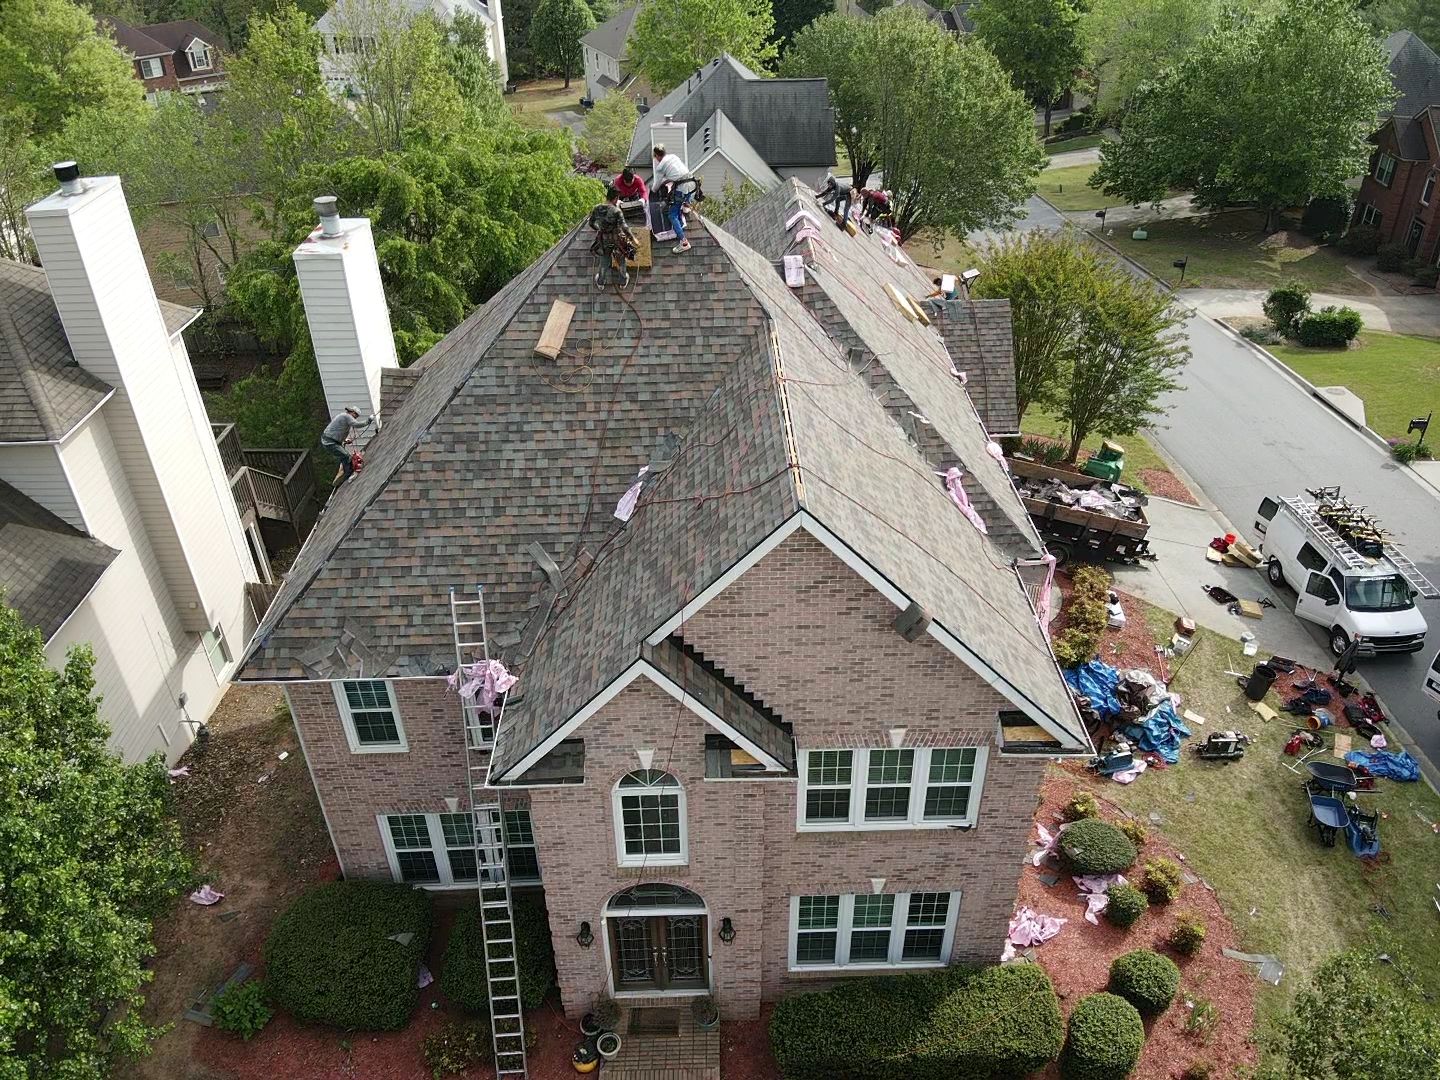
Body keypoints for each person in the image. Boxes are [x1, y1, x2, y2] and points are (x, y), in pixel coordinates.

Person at [588, 185, 639, 289]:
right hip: (617, 239)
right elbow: (624, 227)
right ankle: (622, 282)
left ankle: (601, 282)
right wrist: (633, 239)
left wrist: (599, 229)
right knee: (621, 261)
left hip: (604, 239)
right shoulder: (616, 211)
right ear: (616, 198)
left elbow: (591, 223)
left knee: (604, 260)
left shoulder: (597, 208)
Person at [651, 144, 696, 253]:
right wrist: (667, 180)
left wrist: (652, 191)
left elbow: (656, 186)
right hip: (693, 184)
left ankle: (684, 243)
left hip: (682, 189)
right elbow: (678, 174)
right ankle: (686, 206)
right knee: (681, 200)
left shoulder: (660, 167)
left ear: (656, 155)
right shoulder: (673, 157)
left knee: (672, 215)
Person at [320, 406, 374, 485]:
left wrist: (345, 440)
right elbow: (357, 424)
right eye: (356, 415)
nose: (355, 418)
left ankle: (344, 472)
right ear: (353, 412)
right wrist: (369, 420)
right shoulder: (346, 416)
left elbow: (338, 430)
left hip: (331, 441)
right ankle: (347, 474)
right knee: (346, 456)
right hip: (329, 442)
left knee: (343, 456)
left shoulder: (344, 417)